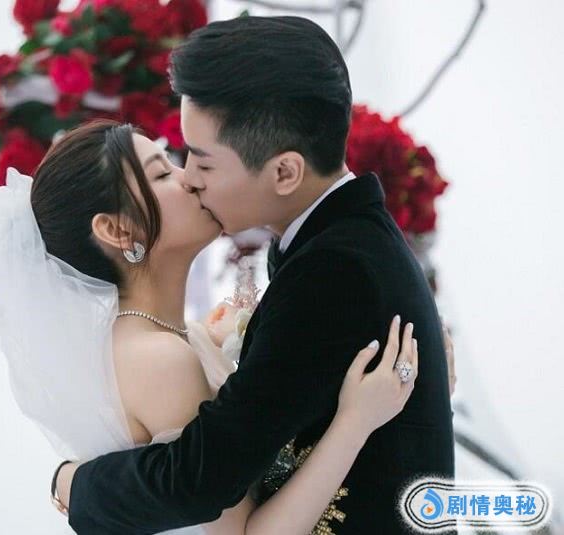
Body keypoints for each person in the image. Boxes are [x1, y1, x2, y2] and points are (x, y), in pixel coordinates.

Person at [55, 15, 456, 535]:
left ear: (284, 172)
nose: (189, 178)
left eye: (202, 162)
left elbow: (200, 479)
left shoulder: (333, 273)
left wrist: (74, 486)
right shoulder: (338, 247)